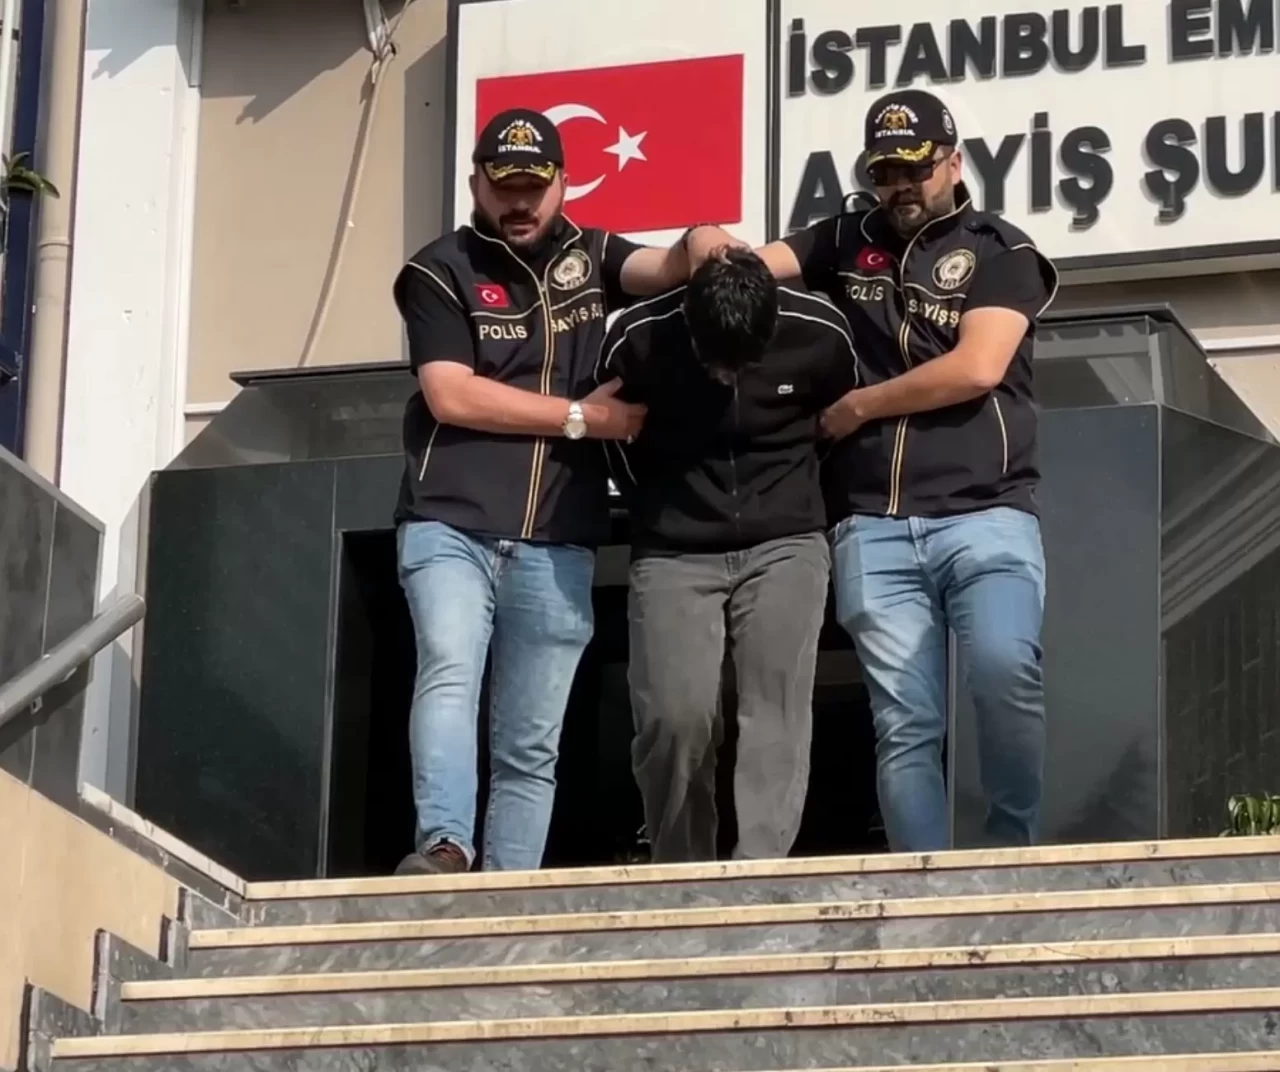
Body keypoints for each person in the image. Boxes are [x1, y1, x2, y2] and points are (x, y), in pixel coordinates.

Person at [686, 88, 1060, 853]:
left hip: (986, 512)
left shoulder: (1002, 249)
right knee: (905, 723)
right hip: (872, 524)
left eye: (915, 168)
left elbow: (977, 367)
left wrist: (858, 406)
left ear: (953, 163)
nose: (899, 185)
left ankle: (1012, 856)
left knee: (1004, 674)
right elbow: (750, 267)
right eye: (884, 172)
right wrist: (706, 241)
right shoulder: (841, 238)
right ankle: (920, 881)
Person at [392, 107, 692, 875]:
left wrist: (707, 244)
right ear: (476, 184)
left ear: (562, 182)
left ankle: (507, 891)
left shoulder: (592, 255)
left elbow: (668, 268)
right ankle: (446, 844)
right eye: (505, 186)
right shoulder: (437, 270)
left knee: (530, 740)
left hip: (558, 538)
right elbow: (451, 395)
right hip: (450, 523)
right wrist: (583, 419)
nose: (520, 202)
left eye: (534, 184)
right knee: (451, 670)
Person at [598, 249, 858, 863]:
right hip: (674, 545)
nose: (727, 376)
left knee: (775, 708)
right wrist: (657, 507)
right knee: (674, 715)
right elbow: (613, 434)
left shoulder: (821, 332)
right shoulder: (639, 337)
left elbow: (842, 426)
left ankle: (759, 868)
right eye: (714, 360)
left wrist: (803, 503)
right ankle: (680, 869)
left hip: (786, 540)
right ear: (687, 318)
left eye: (745, 361)